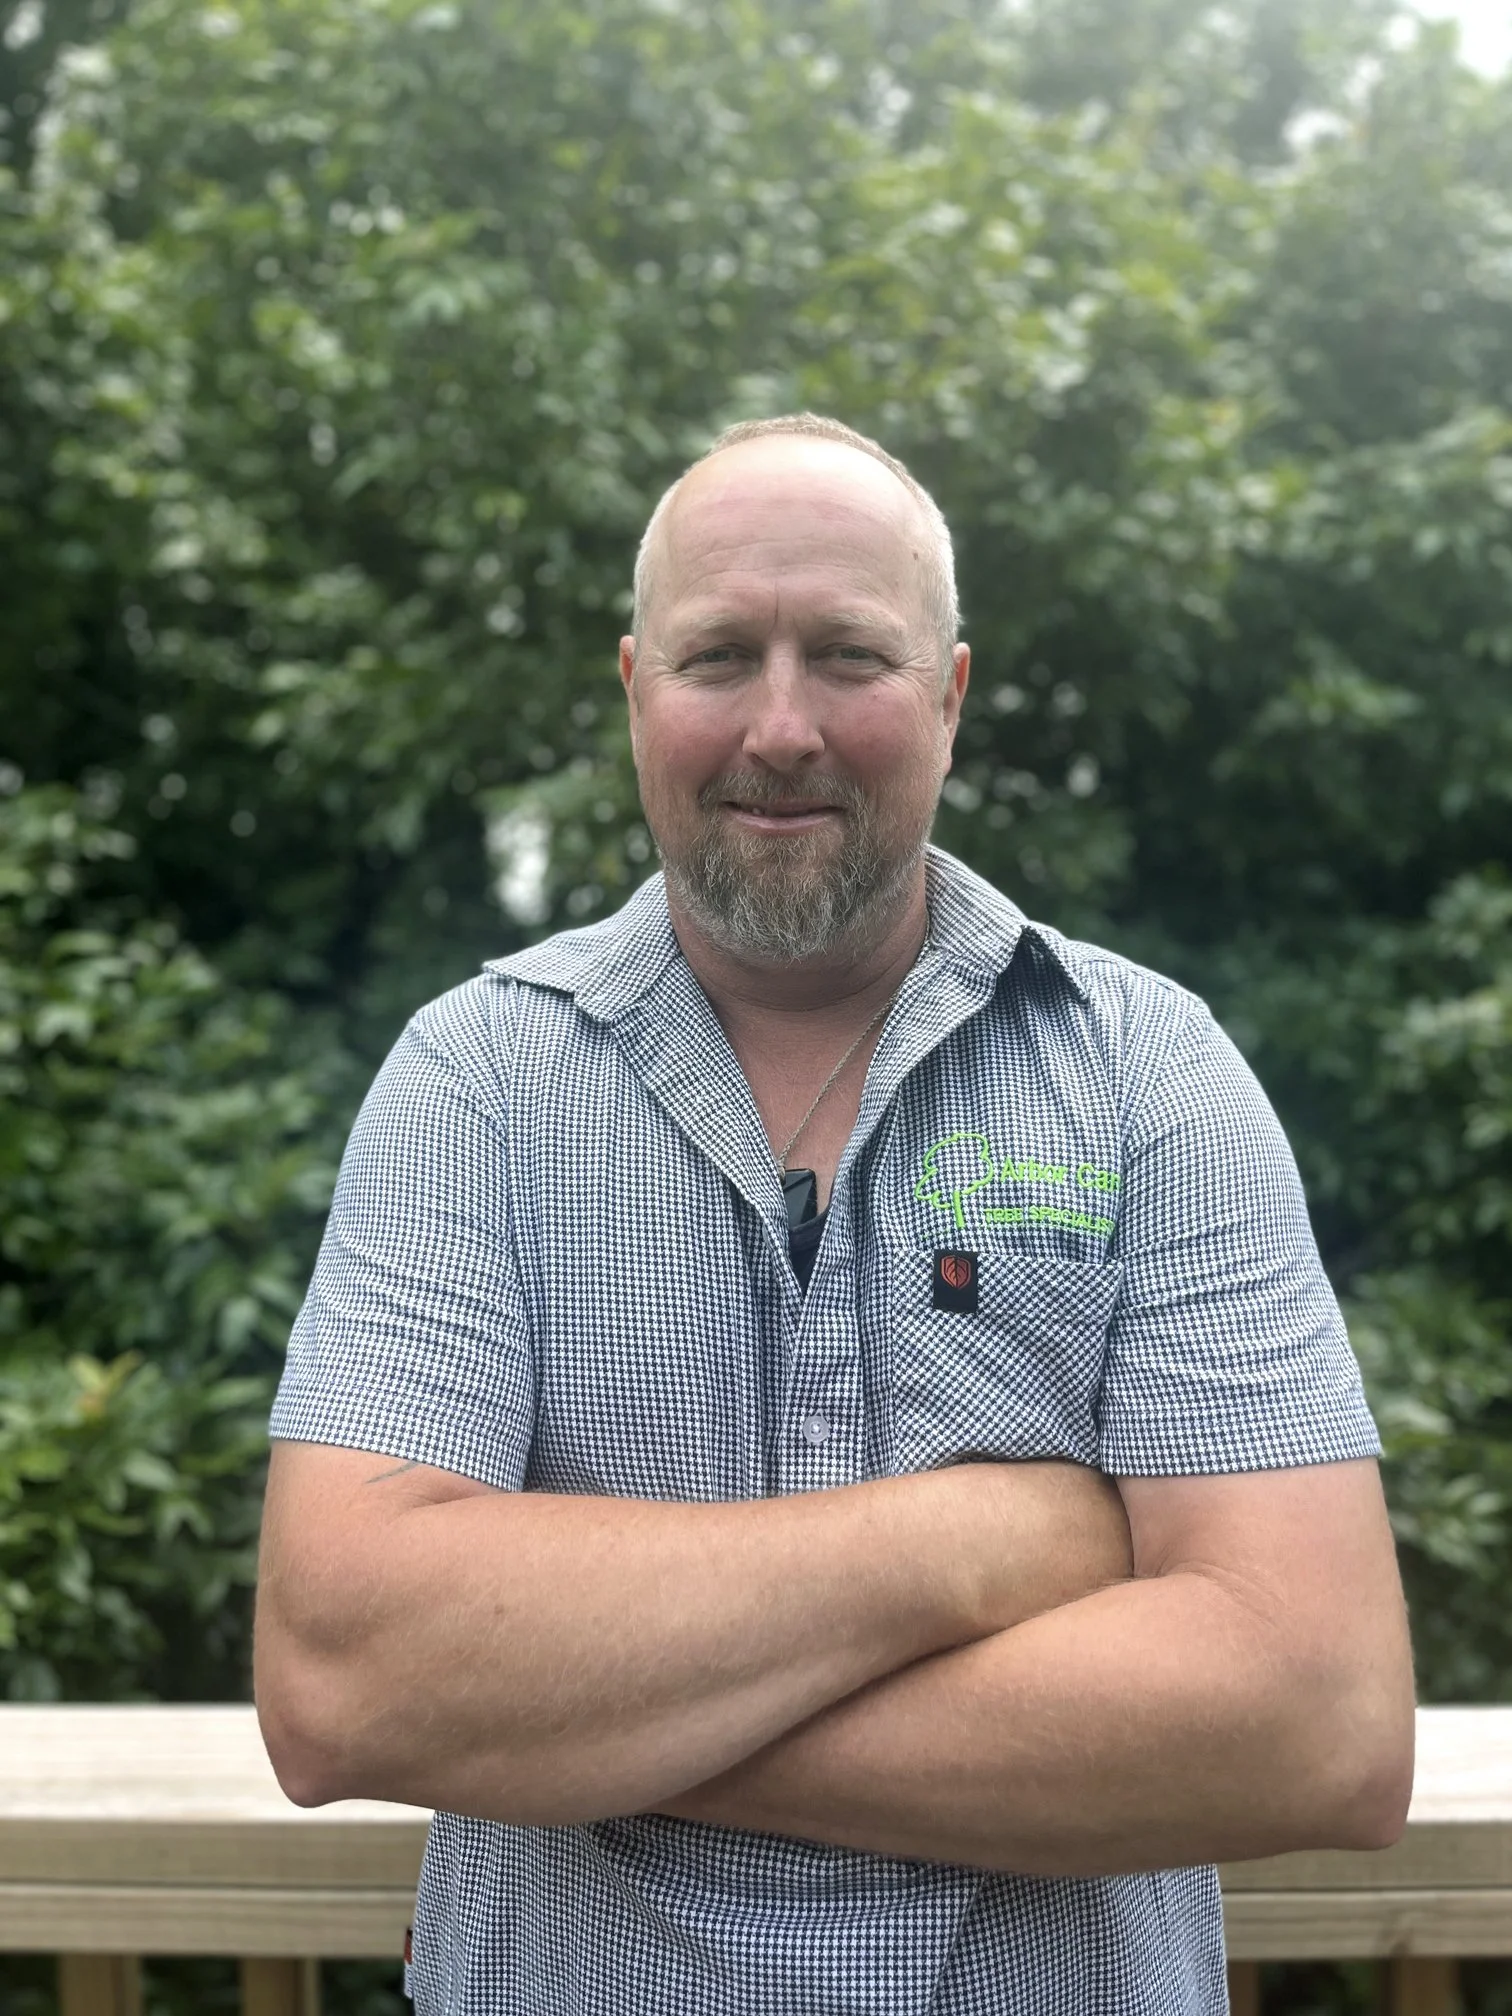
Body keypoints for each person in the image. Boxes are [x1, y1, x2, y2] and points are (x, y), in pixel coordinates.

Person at [255, 413, 1415, 2015]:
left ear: (946, 696)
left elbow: (1319, 1720)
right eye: (720, 653)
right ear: (635, 691)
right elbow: (345, 1680)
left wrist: (584, 1718)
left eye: (849, 656)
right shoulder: (478, 1081)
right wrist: (984, 1540)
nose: (782, 726)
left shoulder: (1152, 1069)